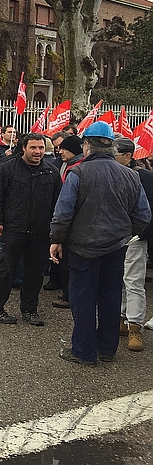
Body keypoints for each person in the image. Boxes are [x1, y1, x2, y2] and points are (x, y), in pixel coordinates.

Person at [51, 122, 150, 366]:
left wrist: (56, 240)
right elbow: (143, 216)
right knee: (110, 296)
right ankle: (107, 349)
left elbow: (63, 214)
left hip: (82, 247)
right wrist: (125, 233)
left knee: (82, 299)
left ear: (87, 145)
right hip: (116, 247)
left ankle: (84, 351)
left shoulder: (78, 173)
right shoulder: (130, 174)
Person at [0, 133, 60, 325]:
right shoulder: (7, 168)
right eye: (33, 148)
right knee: (5, 270)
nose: (38, 152)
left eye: (41, 148)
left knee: (35, 272)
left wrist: (56, 230)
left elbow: (57, 203)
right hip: (13, 229)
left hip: (40, 231)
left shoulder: (51, 172)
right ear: (23, 148)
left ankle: (29, 309)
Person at [114, 136, 153, 352]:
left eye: (116, 153)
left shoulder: (145, 177)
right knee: (117, 280)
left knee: (134, 282)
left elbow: (149, 210)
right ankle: (120, 318)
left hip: (135, 238)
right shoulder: (111, 174)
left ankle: (135, 326)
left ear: (128, 156)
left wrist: (140, 233)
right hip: (113, 237)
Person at [44, 134, 84, 300]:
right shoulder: (67, 165)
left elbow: (67, 201)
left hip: (72, 222)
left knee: (68, 260)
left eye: (63, 149)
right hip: (68, 220)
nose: (59, 152)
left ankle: (69, 295)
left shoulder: (78, 169)